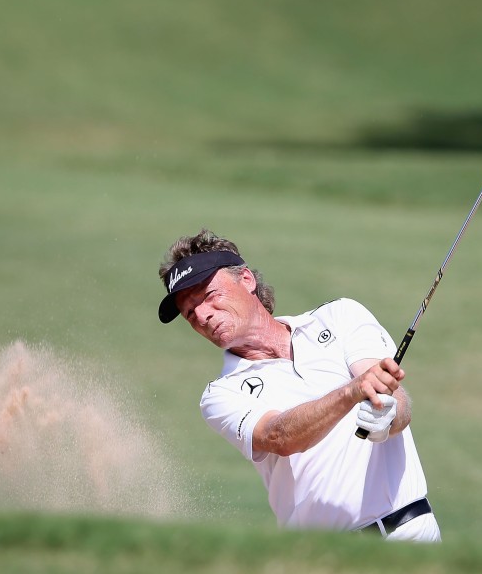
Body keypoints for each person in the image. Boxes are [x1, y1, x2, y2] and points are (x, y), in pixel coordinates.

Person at [157, 229, 440, 541]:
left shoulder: (339, 316)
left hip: (412, 531)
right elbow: (278, 436)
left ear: (246, 280)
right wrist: (351, 392)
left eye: (209, 296)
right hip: (328, 553)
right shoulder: (221, 393)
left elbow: (394, 398)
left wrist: (388, 414)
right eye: (189, 312)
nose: (201, 315)